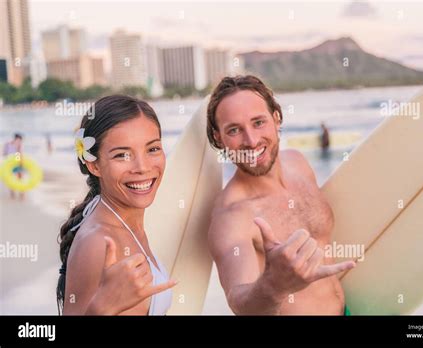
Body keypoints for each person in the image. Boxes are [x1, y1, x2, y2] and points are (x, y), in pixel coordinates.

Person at [206, 75, 355, 315]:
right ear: (218, 137)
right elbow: (241, 302)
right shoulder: (232, 217)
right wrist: (274, 285)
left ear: (276, 118)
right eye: (234, 130)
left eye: (258, 122)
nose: (251, 140)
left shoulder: (298, 163)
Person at [56, 95, 176, 315]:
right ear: (94, 166)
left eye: (152, 149)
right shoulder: (98, 242)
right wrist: (102, 308)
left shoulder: (122, 220)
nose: (142, 167)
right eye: (122, 155)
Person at [2, 133, 24, 200]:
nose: (20, 141)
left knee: (18, 178)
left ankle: (19, 194)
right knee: (16, 178)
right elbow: (18, 155)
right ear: (16, 138)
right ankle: (16, 194)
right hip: (13, 163)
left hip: (11, 163)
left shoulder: (8, 144)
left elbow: (4, 154)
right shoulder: (15, 145)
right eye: (19, 140)